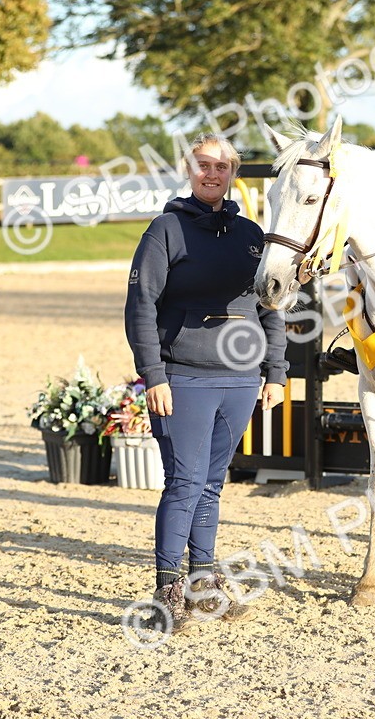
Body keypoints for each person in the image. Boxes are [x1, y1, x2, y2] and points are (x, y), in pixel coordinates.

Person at [124, 133, 288, 631]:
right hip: (183, 378)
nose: (211, 173)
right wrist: (153, 375)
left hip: (240, 381)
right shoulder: (164, 230)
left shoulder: (253, 235)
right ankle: (167, 592)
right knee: (184, 484)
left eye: (221, 166)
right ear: (188, 169)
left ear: (233, 172)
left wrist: (276, 372)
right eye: (202, 165)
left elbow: (272, 306)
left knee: (212, 486)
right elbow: (139, 308)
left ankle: (203, 583)